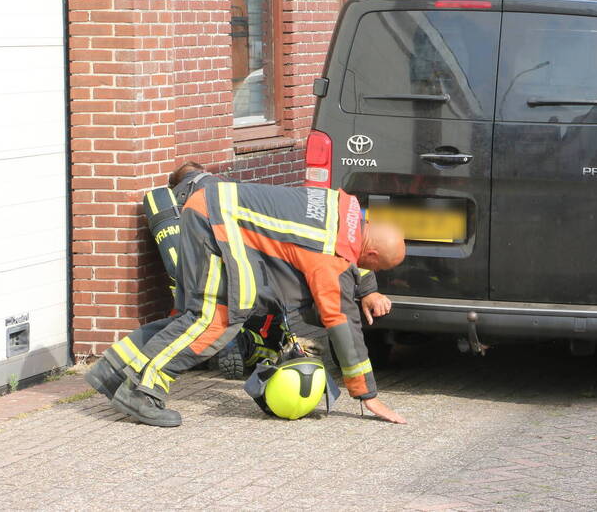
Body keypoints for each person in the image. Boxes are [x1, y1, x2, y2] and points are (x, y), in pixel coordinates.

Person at [88, 172, 407, 426]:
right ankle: (141, 390)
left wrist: (366, 289)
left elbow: (350, 254)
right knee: (214, 321)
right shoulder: (328, 257)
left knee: (193, 317)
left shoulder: (343, 207)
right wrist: (367, 394)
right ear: (373, 253)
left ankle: (115, 368)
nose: (367, 270)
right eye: (375, 267)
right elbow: (343, 326)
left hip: (210, 210)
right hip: (215, 224)